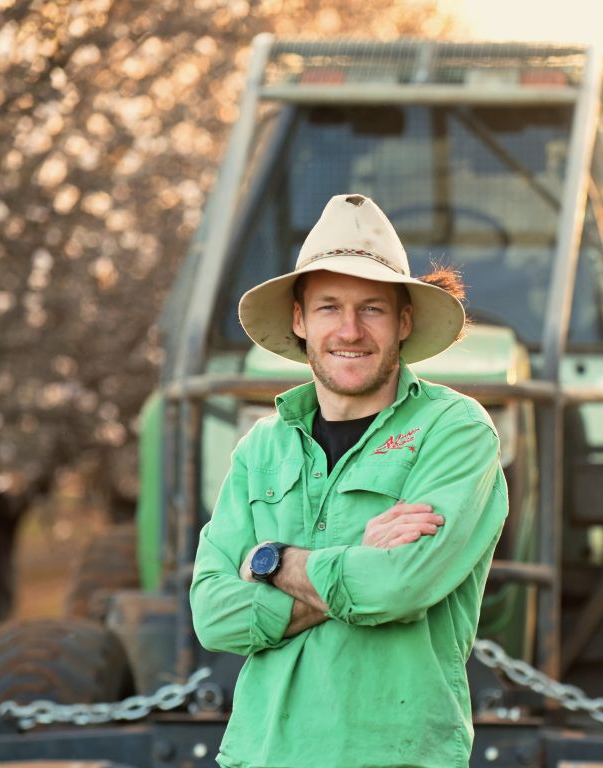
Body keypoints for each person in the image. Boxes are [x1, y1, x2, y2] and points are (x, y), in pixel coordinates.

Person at [190, 193, 508, 768]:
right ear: (299, 320)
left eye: (373, 309)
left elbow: (398, 587)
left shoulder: (456, 432)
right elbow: (213, 615)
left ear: (404, 321)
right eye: (329, 306)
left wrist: (272, 562)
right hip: (263, 755)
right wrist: (358, 558)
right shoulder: (262, 447)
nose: (349, 329)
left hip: (397, 755)